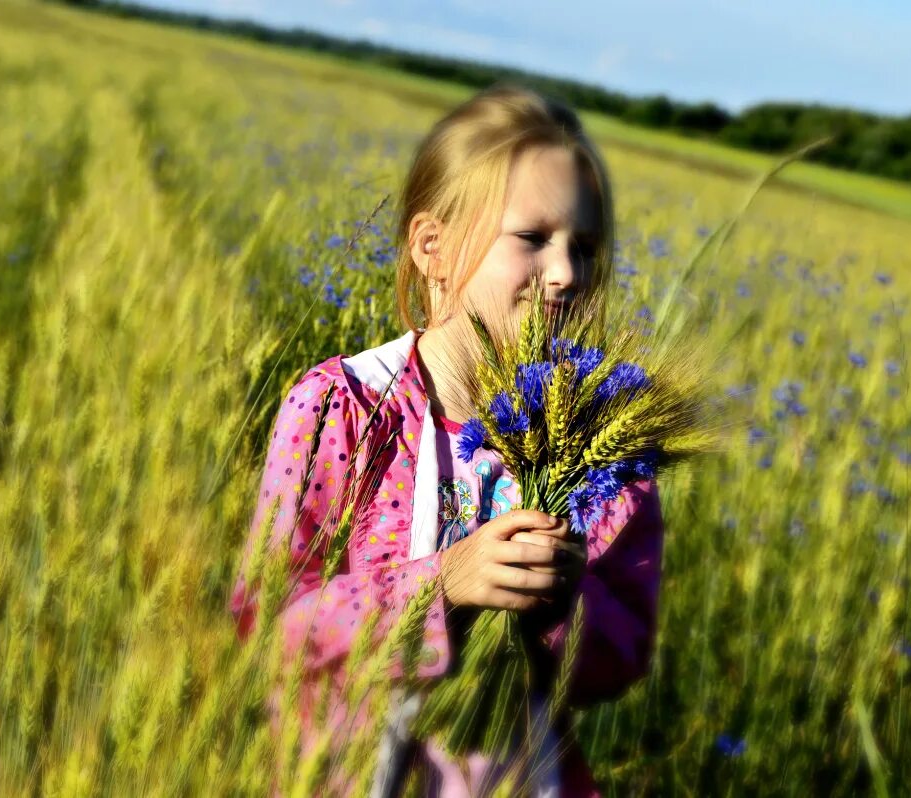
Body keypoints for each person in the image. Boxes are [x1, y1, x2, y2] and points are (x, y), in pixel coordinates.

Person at [228, 82, 665, 798]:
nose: (565, 273)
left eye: (583, 249)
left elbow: (622, 657)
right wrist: (443, 585)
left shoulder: (605, 452)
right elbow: (269, 625)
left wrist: (563, 606)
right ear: (432, 246)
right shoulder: (344, 412)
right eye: (531, 239)